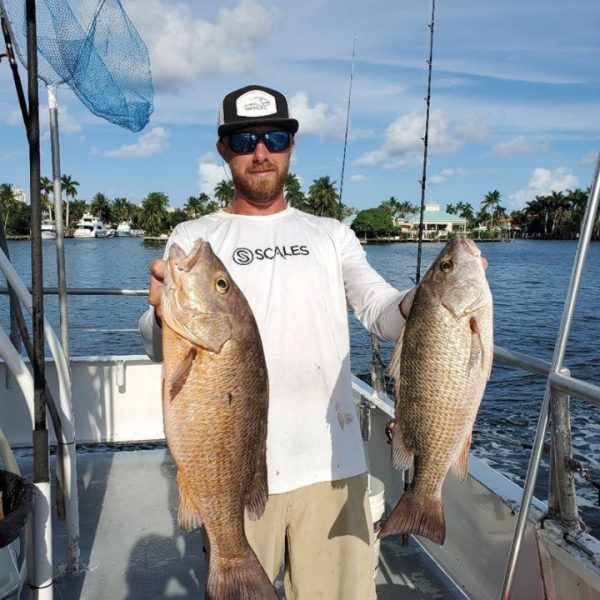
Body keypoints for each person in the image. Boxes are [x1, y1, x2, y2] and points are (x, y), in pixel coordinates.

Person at [139, 84, 414, 600]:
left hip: (333, 465)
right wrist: (160, 315)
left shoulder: (331, 234)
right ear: (224, 150)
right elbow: (158, 348)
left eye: (274, 137)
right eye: (244, 139)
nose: (260, 152)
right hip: (232, 471)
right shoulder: (192, 239)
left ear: (290, 144)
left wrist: (420, 302)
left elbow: (380, 310)